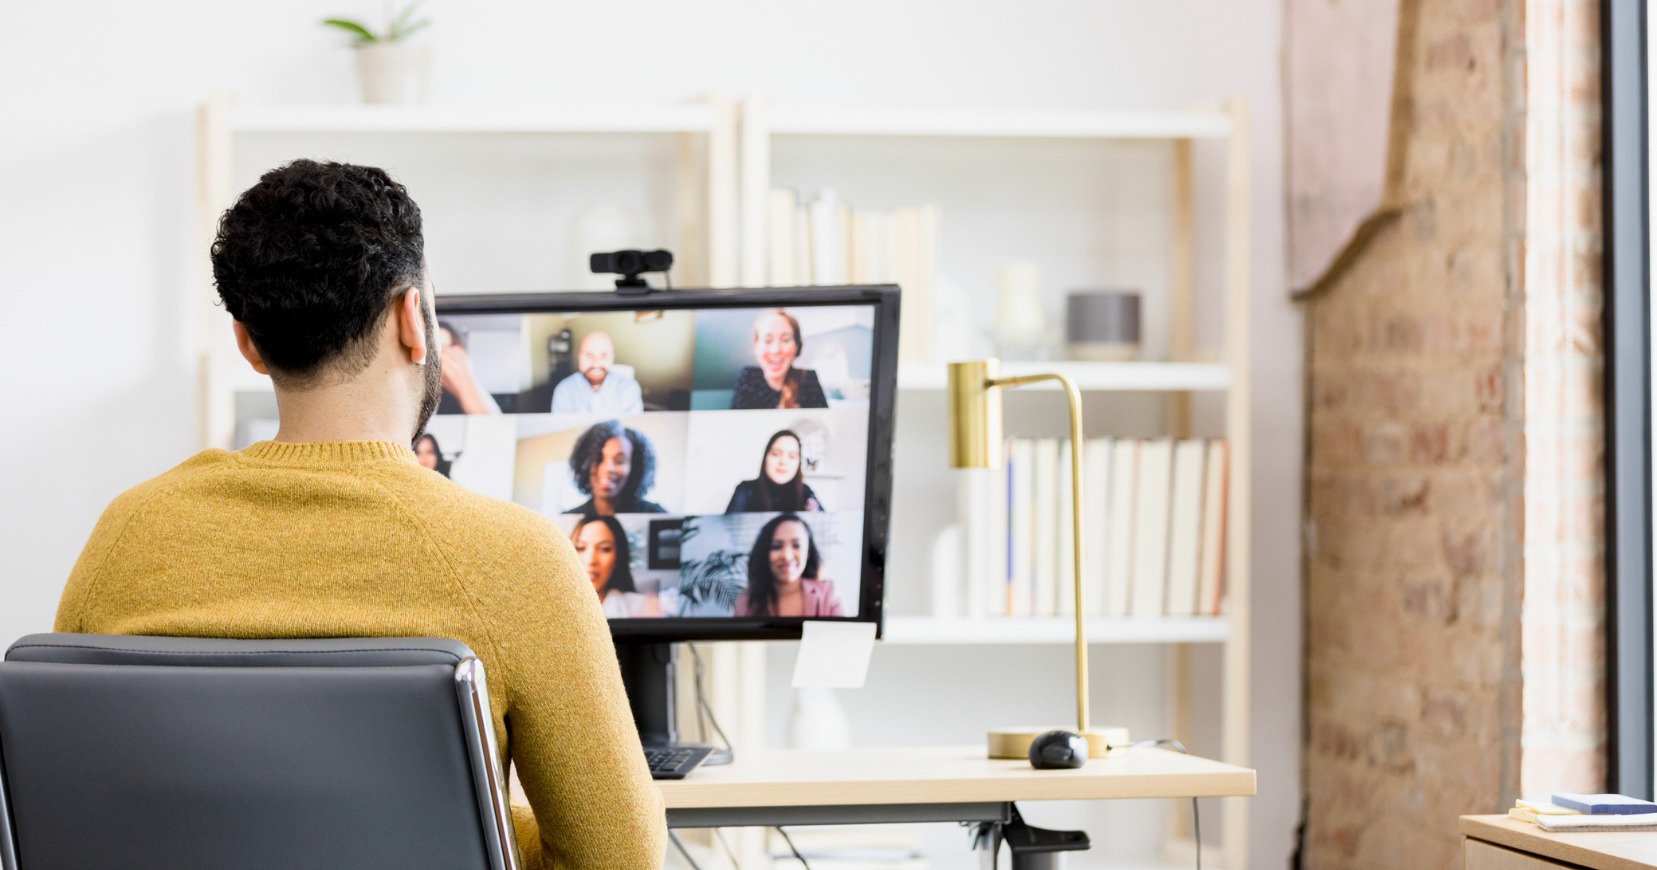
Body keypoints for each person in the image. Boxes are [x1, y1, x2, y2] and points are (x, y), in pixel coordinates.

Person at [54, 159, 664, 869]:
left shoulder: (129, 535)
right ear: (413, 318)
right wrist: (477, 827)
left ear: (247, 342)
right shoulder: (516, 557)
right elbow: (618, 859)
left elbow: (77, 822)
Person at [733, 513, 845, 617]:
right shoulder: (746, 602)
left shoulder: (829, 594)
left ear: (808, 552)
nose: (786, 556)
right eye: (776, 546)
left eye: (796, 545)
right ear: (764, 552)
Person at [564, 419, 668, 516]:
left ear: (635, 467)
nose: (609, 468)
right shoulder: (568, 519)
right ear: (585, 463)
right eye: (599, 459)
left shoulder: (656, 515)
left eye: (620, 461)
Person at [730, 309, 829, 410]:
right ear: (756, 346)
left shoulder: (808, 379)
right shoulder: (749, 377)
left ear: (796, 346)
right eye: (768, 341)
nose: (776, 350)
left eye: (786, 340)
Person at [571, 515, 660, 618]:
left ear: (618, 557)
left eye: (605, 549)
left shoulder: (643, 608)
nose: (590, 560)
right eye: (580, 548)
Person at [725, 430, 824, 513]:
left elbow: (823, 528)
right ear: (765, 457)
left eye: (792, 456)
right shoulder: (746, 490)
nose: (783, 462)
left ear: (799, 462)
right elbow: (727, 532)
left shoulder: (806, 492)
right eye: (776, 454)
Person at [550, 331, 645, 415]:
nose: (596, 363)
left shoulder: (629, 388)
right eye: (589, 355)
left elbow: (631, 431)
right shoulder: (563, 390)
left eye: (604, 356)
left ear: (612, 358)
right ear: (579, 357)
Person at [436, 320, 502, 415]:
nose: (443, 357)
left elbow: (492, 421)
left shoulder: (468, 379)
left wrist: (463, 386)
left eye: (447, 348)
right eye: (437, 348)